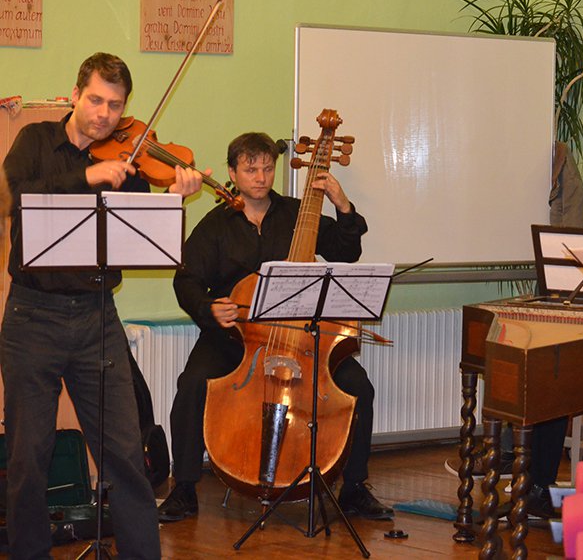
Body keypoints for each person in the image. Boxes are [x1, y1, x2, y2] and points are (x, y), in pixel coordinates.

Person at [0, 52, 204, 559]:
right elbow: (15, 198)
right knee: (28, 458)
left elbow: (138, 235)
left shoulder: (128, 164)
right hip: (32, 316)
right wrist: (87, 178)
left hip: (97, 316)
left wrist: (174, 198)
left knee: (125, 454)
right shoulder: (35, 141)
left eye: (115, 106)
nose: (104, 114)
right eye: (95, 100)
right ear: (75, 95)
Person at [159, 132, 394, 523]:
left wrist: (342, 204)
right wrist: (209, 308)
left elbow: (346, 251)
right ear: (233, 172)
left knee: (358, 387)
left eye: (268, 168)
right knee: (193, 383)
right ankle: (183, 488)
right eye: (251, 169)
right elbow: (186, 281)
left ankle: (354, 488)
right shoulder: (216, 225)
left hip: (301, 338)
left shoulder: (298, 213)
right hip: (235, 338)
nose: (261, 177)